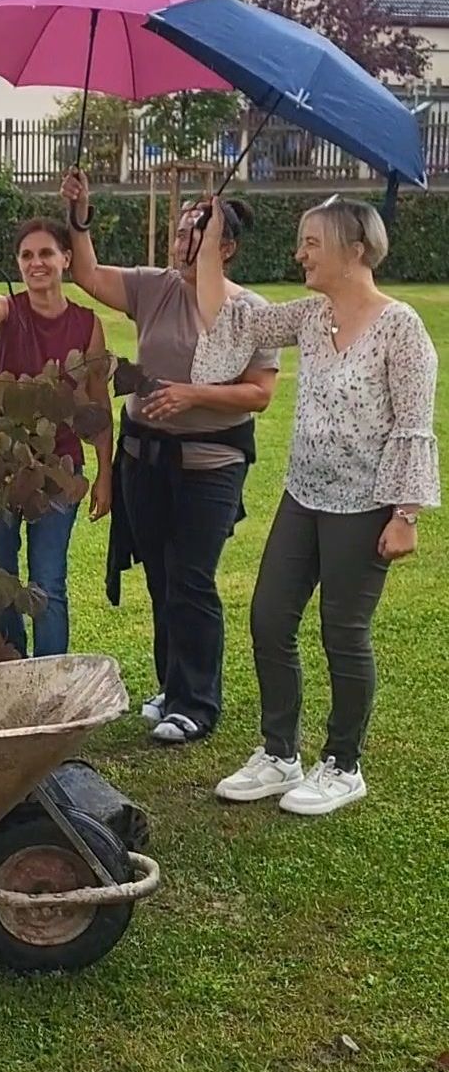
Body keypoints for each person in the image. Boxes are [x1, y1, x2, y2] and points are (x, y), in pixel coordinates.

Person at [193, 195, 440, 815]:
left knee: (343, 634)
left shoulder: (400, 327)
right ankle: (280, 754)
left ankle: (343, 765)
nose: (298, 252)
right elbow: (230, 317)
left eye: (311, 242)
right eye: (300, 241)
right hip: (303, 495)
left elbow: (414, 423)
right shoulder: (310, 316)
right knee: (270, 617)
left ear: (355, 249)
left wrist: (405, 514)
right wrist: (209, 238)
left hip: (365, 505)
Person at [61, 169, 279, 745]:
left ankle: (198, 703)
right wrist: (80, 216)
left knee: (192, 577)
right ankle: (172, 687)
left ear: (225, 248)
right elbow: (85, 273)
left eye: (199, 232)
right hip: (144, 458)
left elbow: (260, 392)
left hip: (210, 465)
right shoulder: (153, 286)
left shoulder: (248, 310)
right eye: (183, 229)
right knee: (160, 575)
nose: (185, 240)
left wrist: (194, 394)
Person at [0, 215, 112, 660]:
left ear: (66, 259)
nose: (36, 263)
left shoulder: (87, 325)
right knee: (0, 576)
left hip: (60, 471)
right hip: (0, 471)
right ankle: (12, 668)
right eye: (27, 255)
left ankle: (51, 678)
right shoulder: (7, 309)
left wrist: (105, 473)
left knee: (48, 581)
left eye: (46, 253)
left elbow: (97, 404)